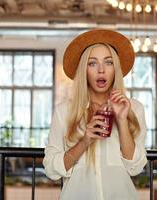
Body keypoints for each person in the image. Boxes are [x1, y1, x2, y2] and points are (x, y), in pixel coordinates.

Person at [43, 29, 147, 200]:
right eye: (92, 63)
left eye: (108, 62)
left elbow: (135, 168)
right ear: (84, 70)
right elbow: (51, 169)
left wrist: (122, 121)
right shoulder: (64, 111)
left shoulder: (134, 108)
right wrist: (85, 141)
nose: (101, 70)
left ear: (116, 68)